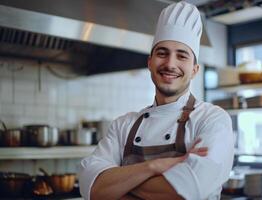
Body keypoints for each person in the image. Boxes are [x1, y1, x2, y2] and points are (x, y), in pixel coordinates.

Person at [78, 1, 234, 200]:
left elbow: (189, 190)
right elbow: (90, 185)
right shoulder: (123, 126)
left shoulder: (212, 119)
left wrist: (119, 184)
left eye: (182, 56)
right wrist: (154, 167)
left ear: (194, 70)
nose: (170, 64)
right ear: (149, 62)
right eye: (162, 53)